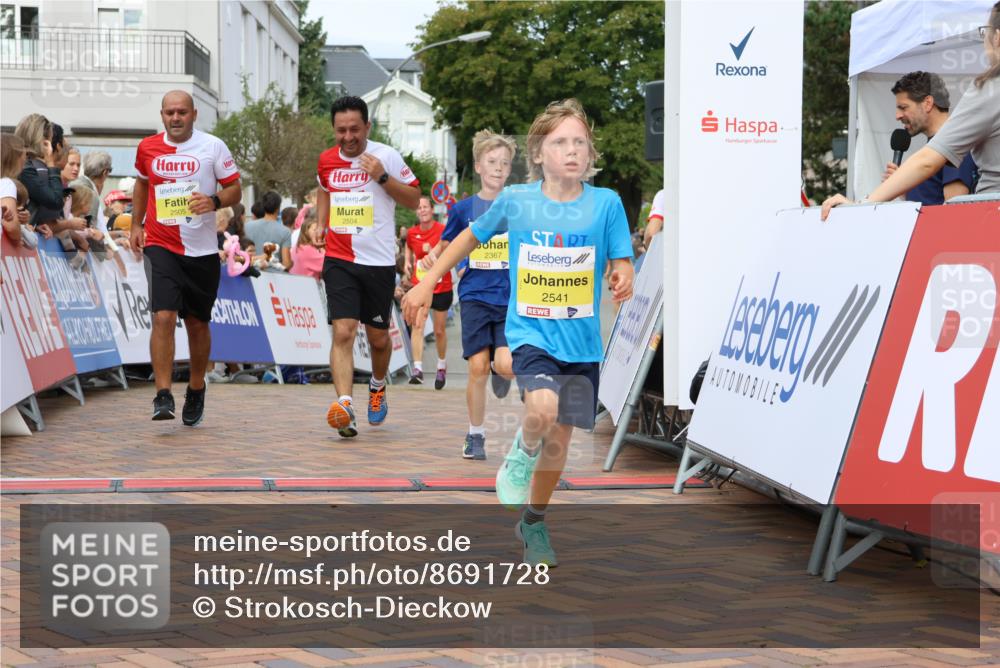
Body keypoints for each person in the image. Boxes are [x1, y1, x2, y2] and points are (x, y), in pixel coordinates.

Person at [403, 99, 634, 565]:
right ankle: (521, 452)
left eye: (580, 142)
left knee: (560, 441)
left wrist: (622, 276)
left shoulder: (606, 203)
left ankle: (534, 521)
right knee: (542, 408)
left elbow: (622, 260)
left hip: (581, 343)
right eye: (560, 142)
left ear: (590, 152)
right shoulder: (516, 201)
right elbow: (469, 238)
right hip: (531, 333)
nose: (572, 150)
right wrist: (428, 280)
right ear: (539, 153)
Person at [823, 4, 1000, 218]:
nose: (898, 115)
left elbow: (929, 165)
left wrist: (862, 205)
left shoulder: (991, 89)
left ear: (997, 37)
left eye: (985, 32)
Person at [129, 90, 242, 424]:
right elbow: (142, 185)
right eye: (169, 113)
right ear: (162, 115)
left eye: (181, 112)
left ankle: (196, 387)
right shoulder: (147, 147)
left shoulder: (213, 146)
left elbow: (235, 189)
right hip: (160, 244)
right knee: (163, 316)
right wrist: (136, 223)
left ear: (194, 114)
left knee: (197, 323)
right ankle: (163, 394)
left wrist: (214, 201)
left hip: (201, 249)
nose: (175, 118)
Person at [316, 95, 420, 438]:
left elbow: (414, 199)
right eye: (341, 130)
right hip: (339, 258)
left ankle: (377, 385)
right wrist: (320, 223)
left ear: (367, 127)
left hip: (377, 262)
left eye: (355, 130)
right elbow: (323, 190)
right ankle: (345, 406)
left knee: (378, 339)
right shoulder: (326, 160)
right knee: (343, 331)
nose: (348, 137)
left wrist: (382, 177)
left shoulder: (385, 156)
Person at [422, 129, 518, 459]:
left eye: (504, 163)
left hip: (510, 297)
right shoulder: (463, 209)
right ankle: (475, 434)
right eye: (492, 162)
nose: (498, 168)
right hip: (475, 294)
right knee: (478, 367)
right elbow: (449, 242)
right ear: (478, 166)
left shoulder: (519, 207)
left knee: (505, 365)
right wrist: (434, 257)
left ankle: (501, 372)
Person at [885, 71, 977, 204]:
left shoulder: (955, 144)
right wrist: (904, 190)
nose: (897, 116)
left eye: (903, 107)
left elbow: (954, 210)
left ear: (928, 103)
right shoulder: (937, 147)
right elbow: (929, 199)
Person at [404, 196, 454, 388]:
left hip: (441, 285)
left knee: (439, 330)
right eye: (419, 207)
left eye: (425, 207)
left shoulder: (442, 230)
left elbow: (450, 249)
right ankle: (417, 369)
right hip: (420, 285)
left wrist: (434, 252)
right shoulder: (412, 233)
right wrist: (407, 262)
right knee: (418, 325)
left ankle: (441, 365)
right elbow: (409, 247)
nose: (422, 210)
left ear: (432, 210)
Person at [244, 191, 292, 270]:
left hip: (251, 273)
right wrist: (292, 263)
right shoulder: (285, 232)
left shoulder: (247, 226)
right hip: (275, 275)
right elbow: (286, 264)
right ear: (278, 208)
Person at [290, 214, 325, 279]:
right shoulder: (308, 250)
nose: (318, 232)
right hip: (307, 283)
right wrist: (321, 247)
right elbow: (327, 263)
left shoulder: (298, 246)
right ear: (306, 232)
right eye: (315, 230)